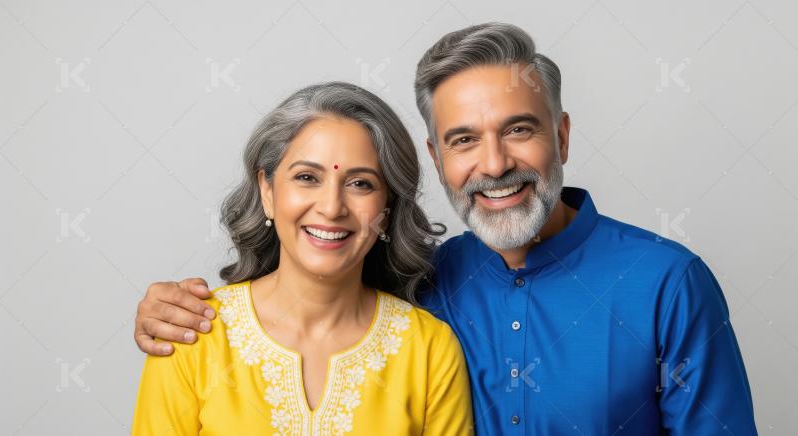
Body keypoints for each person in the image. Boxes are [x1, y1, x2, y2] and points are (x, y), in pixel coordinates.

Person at [134, 23, 758, 435]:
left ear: (561, 134)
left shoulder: (667, 284)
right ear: (436, 159)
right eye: (464, 140)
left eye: (519, 129)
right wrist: (166, 308)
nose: (493, 165)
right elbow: (316, 283)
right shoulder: (424, 280)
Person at [131, 82, 473, 435]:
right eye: (307, 177)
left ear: (386, 210)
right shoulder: (192, 333)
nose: (331, 207)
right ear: (267, 191)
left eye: (360, 184)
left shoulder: (429, 349)